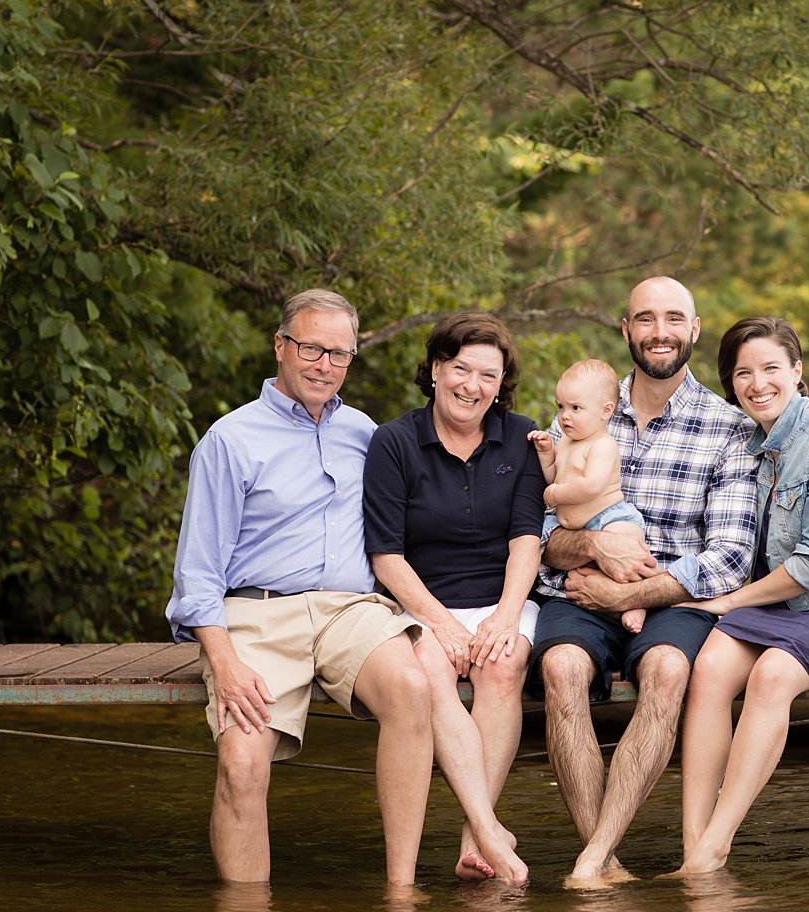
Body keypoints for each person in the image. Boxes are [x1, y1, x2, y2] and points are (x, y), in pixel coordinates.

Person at [165, 289, 524, 889]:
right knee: (242, 765)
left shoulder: (366, 434)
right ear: (281, 347)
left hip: (349, 611)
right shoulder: (229, 441)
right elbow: (197, 573)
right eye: (312, 348)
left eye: (339, 354)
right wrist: (223, 661)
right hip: (260, 614)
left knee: (413, 685)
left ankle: (401, 889)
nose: (324, 365)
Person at [528, 276, 759, 884]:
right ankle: (607, 860)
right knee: (561, 669)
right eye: (646, 319)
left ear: (694, 330)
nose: (661, 331)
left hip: (671, 596)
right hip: (577, 590)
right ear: (626, 329)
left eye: (674, 318)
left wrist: (627, 592)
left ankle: (591, 858)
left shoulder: (728, 429)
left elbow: (730, 558)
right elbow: (541, 538)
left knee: (668, 670)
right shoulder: (578, 413)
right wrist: (596, 548)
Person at [673, 316, 809, 876]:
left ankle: (717, 843)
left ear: (796, 371)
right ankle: (692, 844)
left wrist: (727, 602)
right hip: (779, 608)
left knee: (772, 674)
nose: (757, 383)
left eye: (771, 368)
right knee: (712, 666)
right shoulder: (748, 440)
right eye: (743, 373)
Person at [362, 312, 541, 883]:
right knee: (430, 675)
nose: (472, 385)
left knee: (504, 664)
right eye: (460, 368)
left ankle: (471, 839)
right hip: (419, 603)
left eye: (488, 375)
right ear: (437, 370)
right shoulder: (394, 442)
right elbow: (386, 556)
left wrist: (508, 614)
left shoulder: (521, 436)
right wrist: (438, 624)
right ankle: (490, 827)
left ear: (501, 383)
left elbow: (525, 538)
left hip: (500, 596)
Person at [526, 359, 649, 634]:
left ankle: (636, 600)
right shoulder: (566, 441)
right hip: (573, 527)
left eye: (575, 408)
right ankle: (523, 592)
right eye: (560, 407)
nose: (564, 416)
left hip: (608, 516)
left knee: (629, 545)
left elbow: (591, 486)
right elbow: (553, 476)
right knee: (529, 543)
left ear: (605, 411)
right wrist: (546, 453)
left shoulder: (602, 445)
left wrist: (556, 494)